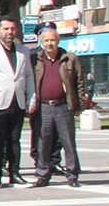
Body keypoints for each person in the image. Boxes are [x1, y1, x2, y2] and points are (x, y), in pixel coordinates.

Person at [0, 18, 34, 188]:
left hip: (17, 101)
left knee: (14, 140)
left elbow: (29, 76)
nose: (9, 32)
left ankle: (15, 173)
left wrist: (32, 98)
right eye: (6, 29)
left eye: (12, 29)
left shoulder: (23, 51)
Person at [28, 24, 84, 187]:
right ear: (41, 41)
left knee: (68, 142)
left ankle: (72, 174)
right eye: (46, 40)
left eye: (53, 40)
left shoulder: (70, 58)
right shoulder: (35, 59)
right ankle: (42, 175)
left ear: (58, 41)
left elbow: (79, 83)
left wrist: (78, 106)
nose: (49, 43)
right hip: (43, 107)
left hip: (63, 106)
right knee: (42, 142)